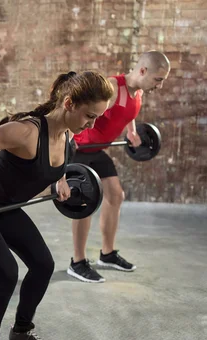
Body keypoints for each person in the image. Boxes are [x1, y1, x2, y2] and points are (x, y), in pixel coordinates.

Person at [0, 71, 114, 340]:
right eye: (90, 116)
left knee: (42, 264)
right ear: (68, 103)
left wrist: (61, 181)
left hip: (8, 208)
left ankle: (21, 332)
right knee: (6, 274)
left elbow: (57, 163)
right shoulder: (27, 132)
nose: (92, 125)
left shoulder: (67, 135)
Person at [67, 51, 170, 283]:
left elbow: (126, 113)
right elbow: (80, 111)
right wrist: (65, 139)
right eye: (158, 79)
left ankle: (107, 253)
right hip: (80, 151)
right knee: (84, 202)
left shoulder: (138, 91)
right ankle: (78, 262)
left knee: (116, 195)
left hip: (97, 151)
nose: (160, 86)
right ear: (143, 71)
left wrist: (131, 132)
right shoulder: (113, 88)